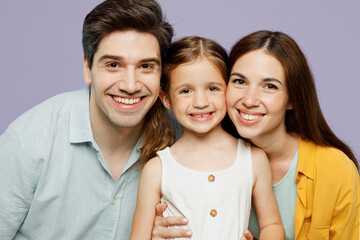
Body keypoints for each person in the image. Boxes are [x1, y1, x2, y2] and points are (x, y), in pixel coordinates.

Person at [0, 0, 175, 239]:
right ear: (87, 68)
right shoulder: (27, 143)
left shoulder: (181, 140)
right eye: (113, 65)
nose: (130, 85)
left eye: (146, 66)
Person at [130, 36, 285, 240]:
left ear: (228, 90)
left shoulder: (253, 159)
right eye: (185, 91)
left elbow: (272, 225)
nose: (200, 102)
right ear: (166, 98)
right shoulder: (157, 169)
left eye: (213, 88)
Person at [225, 30, 360, 239]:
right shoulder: (200, 158)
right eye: (239, 81)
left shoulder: (335, 169)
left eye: (269, 86)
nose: (249, 99)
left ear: (292, 99)